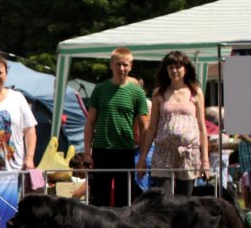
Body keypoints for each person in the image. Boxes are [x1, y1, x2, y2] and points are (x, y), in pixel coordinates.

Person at [136, 51, 210, 196]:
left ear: (186, 68)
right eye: (170, 67)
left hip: (188, 153)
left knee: (184, 201)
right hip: (163, 152)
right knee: (163, 198)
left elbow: (202, 128)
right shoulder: (159, 92)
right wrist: (143, 158)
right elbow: (152, 128)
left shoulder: (196, 92)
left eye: (178, 67)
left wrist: (205, 160)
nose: (174, 71)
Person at [83, 47, 149, 207]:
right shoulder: (100, 89)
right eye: (118, 64)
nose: (121, 68)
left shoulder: (137, 93)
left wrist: (142, 158)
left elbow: (145, 127)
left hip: (125, 151)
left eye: (125, 65)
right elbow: (90, 123)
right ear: (111, 65)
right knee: (99, 199)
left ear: (131, 66)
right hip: (101, 150)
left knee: (124, 200)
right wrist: (87, 153)